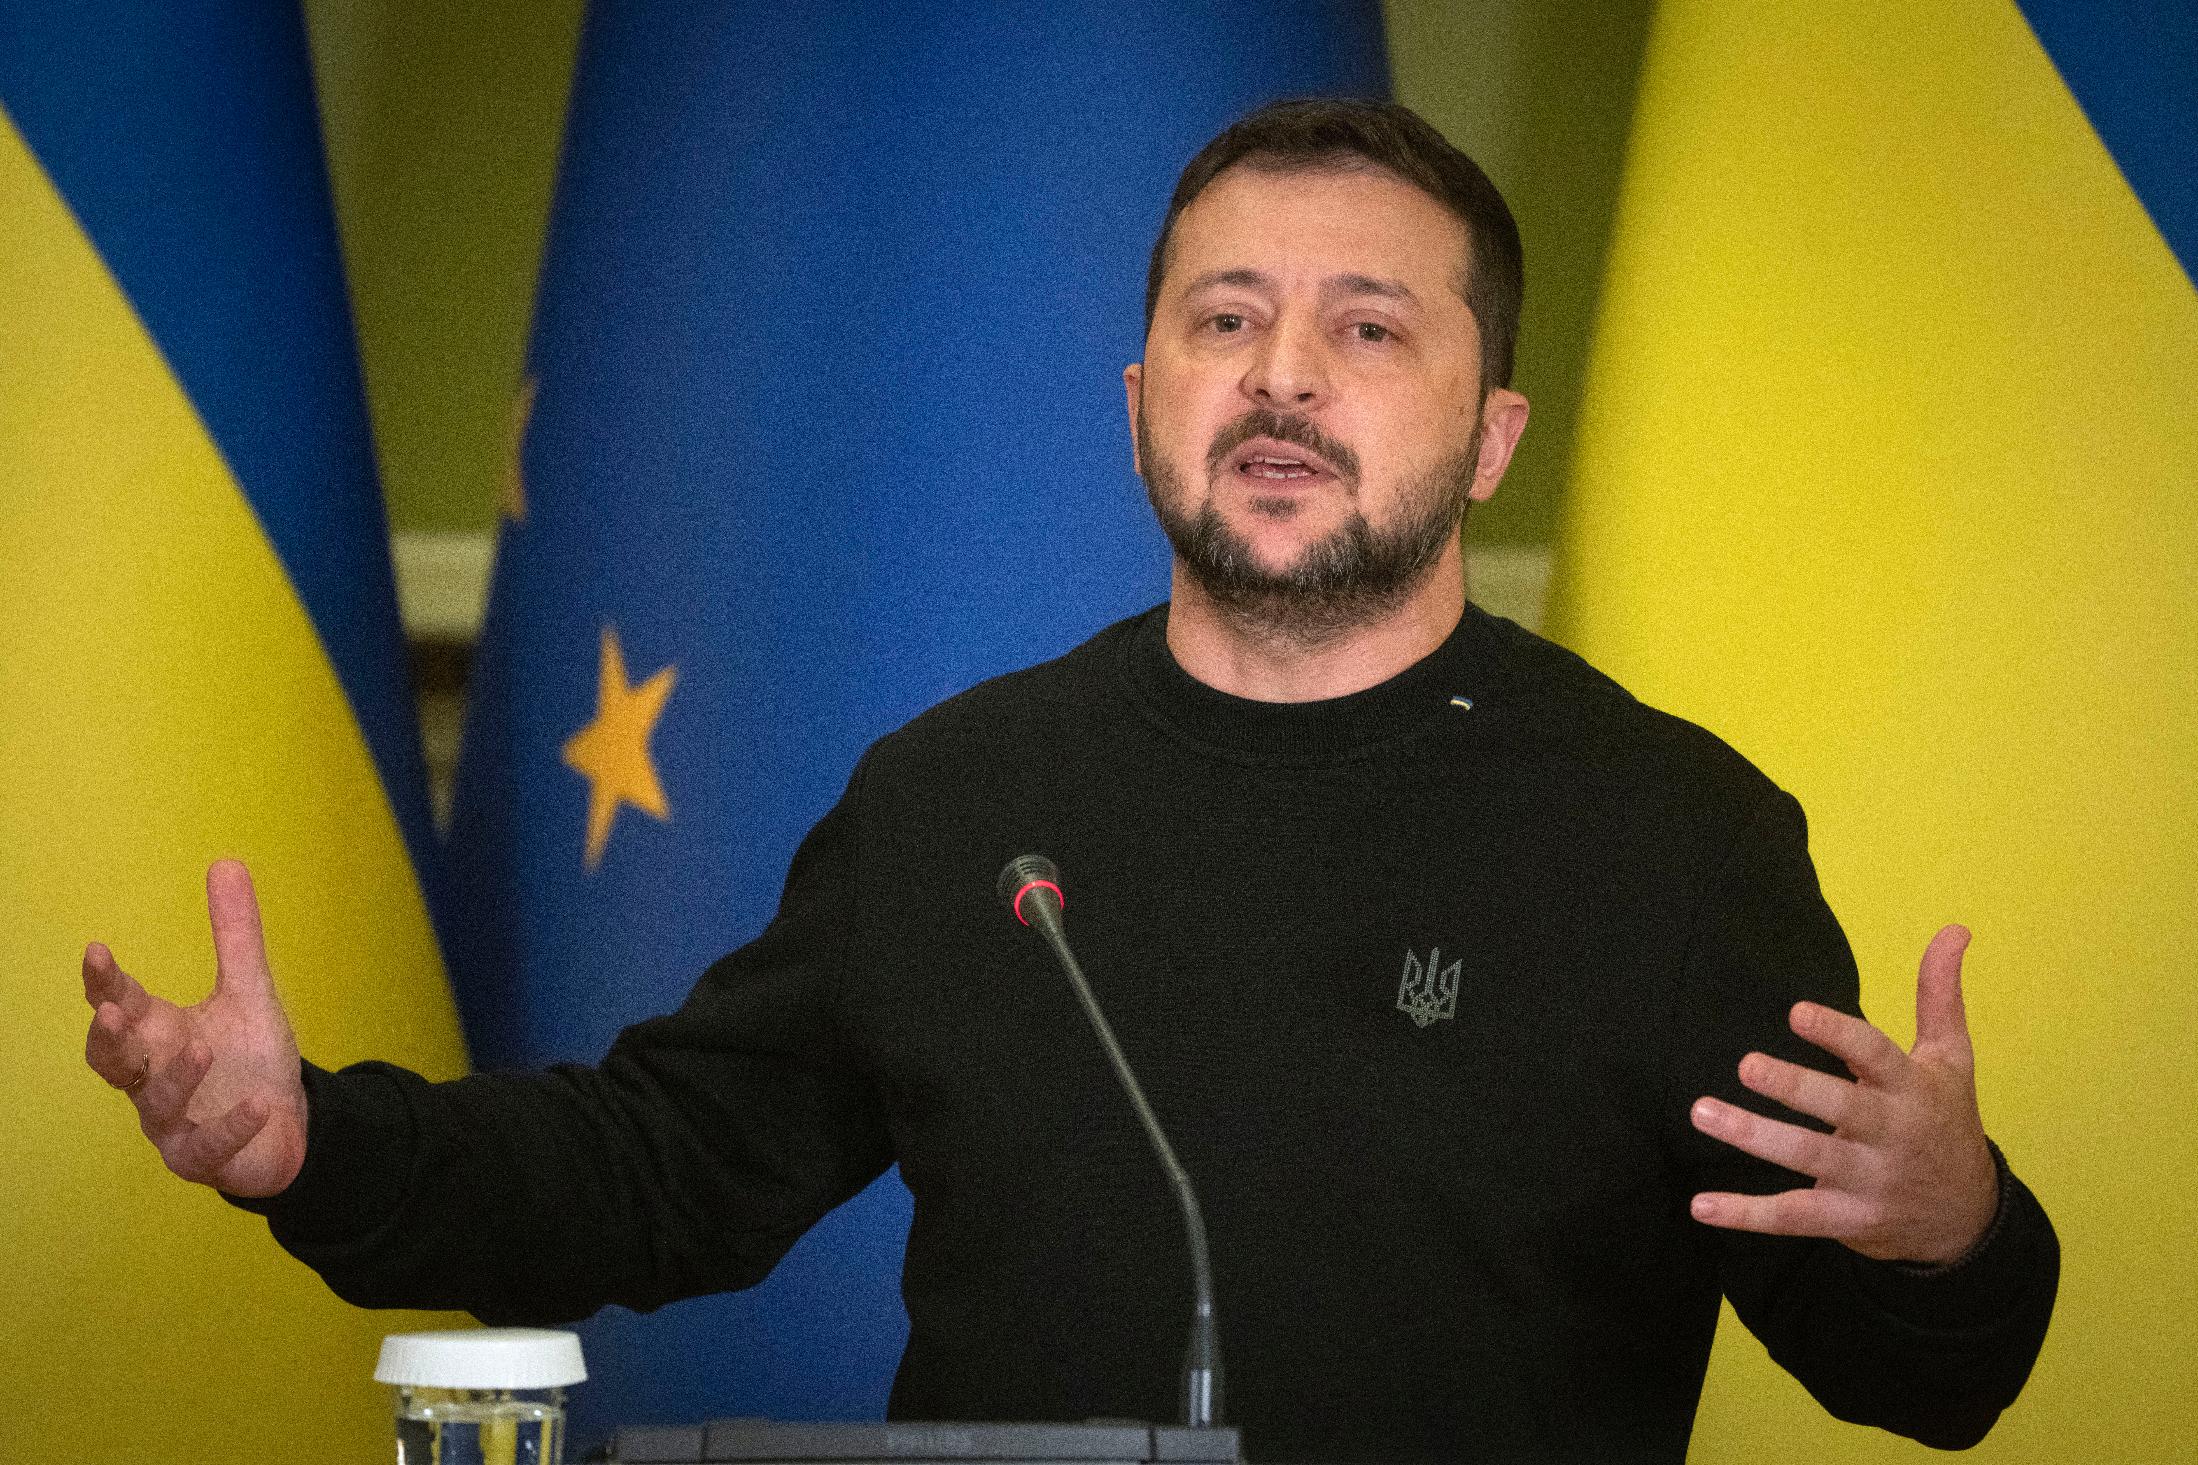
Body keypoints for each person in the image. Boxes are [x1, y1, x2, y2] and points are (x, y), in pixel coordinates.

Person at [81, 100, 2056, 1463]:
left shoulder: (1670, 837)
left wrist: (1951, 1224)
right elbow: (652, 1174)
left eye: (1366, 327)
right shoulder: (959, 801)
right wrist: (309, 1143)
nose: (1282, 373)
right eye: (1224, 320)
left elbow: (1918, 1377)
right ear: (1141, 406)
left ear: (1488, 435)